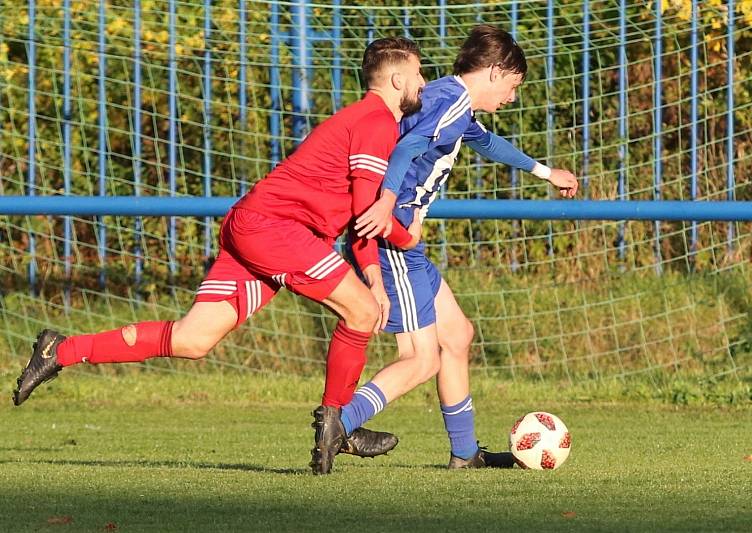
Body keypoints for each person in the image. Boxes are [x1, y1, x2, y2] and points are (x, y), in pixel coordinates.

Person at [13, 37, 426, 475]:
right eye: (419, 73)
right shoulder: (377, 120)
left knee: (193, 339)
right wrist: (407, 238)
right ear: (397, 78)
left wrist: (376, 279)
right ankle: (337, 423)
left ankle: (62, 350)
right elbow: (370, 210)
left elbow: (360, 221)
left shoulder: (367, 119)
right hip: (278, 229)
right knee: (361, 314)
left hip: (255, 225)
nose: (423, 81)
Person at [311, 25, 579, 473]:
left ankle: (465, 453)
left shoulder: (448, 101)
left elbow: (488, 143)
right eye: (513, 86)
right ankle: (341, 422)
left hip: (402, 239)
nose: (512, 98)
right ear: (495, 72)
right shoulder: (447, 102)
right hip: (394, 238)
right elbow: (406, 150)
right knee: (420, 358)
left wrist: (546, 172)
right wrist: (389, 202)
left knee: (457, 335)